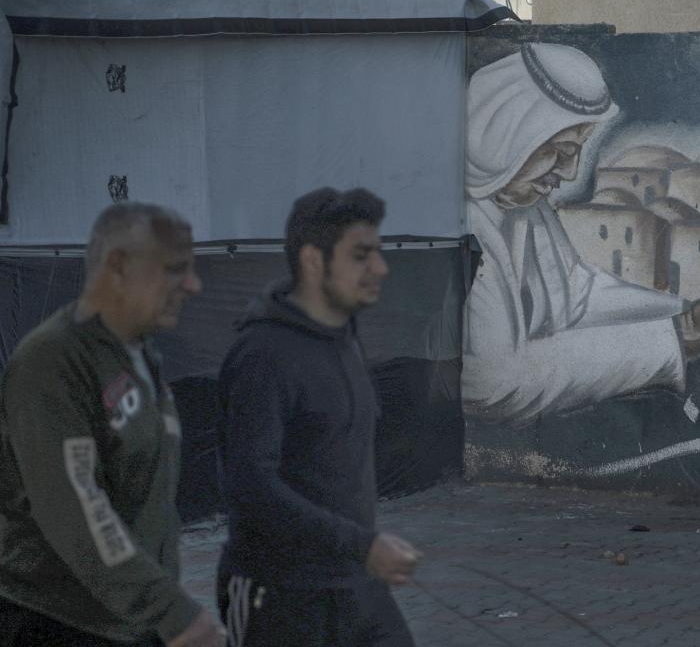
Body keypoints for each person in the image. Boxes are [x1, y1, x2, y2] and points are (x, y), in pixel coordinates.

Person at [463, 42, 700, 426]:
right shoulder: (459, 224)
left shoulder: (522, 206)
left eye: (577, 151)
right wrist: (687, 332)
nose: (570, 173)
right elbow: (490, 381)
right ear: (507, 136)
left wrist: (699, 324)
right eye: (559, 150)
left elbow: (575, 295)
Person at [0, 202, 223, 647]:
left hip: (128, 620)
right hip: (57, 619)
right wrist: (172, 611)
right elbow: (73, 505)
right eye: (175, 270)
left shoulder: (139, 357)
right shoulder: (53, 361)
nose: (193, 285)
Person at [216, 187, 419, 647]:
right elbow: (251, 487)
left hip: (355, 587)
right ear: (313, 260)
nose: (380, 268)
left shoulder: (344, 336)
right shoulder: (263, 355)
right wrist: (363, 545)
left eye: (378, 253)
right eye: (361, 256)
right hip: (280, 597)